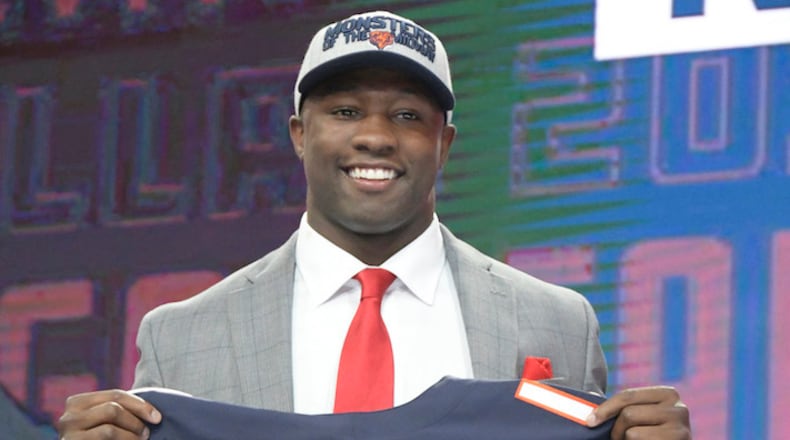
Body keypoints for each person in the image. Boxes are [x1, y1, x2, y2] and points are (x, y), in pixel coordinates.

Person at [57, 10, 691, 440]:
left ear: (445, 144)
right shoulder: (182, 335)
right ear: (300, 136)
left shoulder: (558, 321)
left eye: (408, 116)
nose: (376, 137)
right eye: (346, 110)